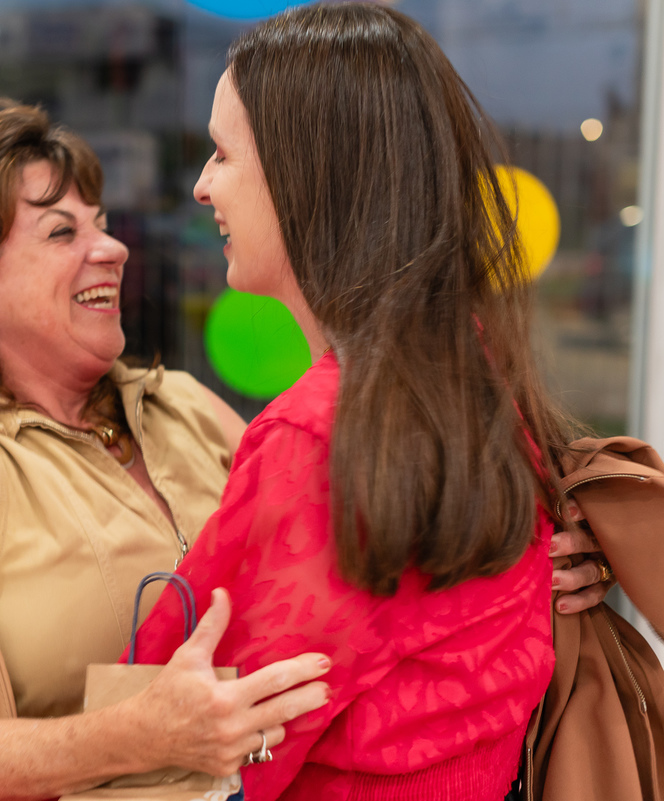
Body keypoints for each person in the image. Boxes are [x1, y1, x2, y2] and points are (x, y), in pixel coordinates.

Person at [0, 99, 606, 800]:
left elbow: (347, 561)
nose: (112, 247)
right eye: (62, 233)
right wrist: (133, 734)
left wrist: (524, 558)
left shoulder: (183, 405)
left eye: (101, 224)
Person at [130, 5, 603, 800]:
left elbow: (189, 732)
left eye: (221, 153)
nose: (204, 185)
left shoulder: (316, 436)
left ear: (308, 173)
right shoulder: (481, 384)